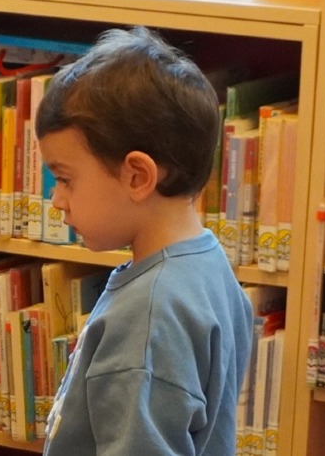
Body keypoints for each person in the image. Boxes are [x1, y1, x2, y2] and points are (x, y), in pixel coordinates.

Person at [34, 26, 252, 456]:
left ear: (137, 176)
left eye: (64, 179)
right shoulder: (207, 265)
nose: (56, 200)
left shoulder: (148, 314)